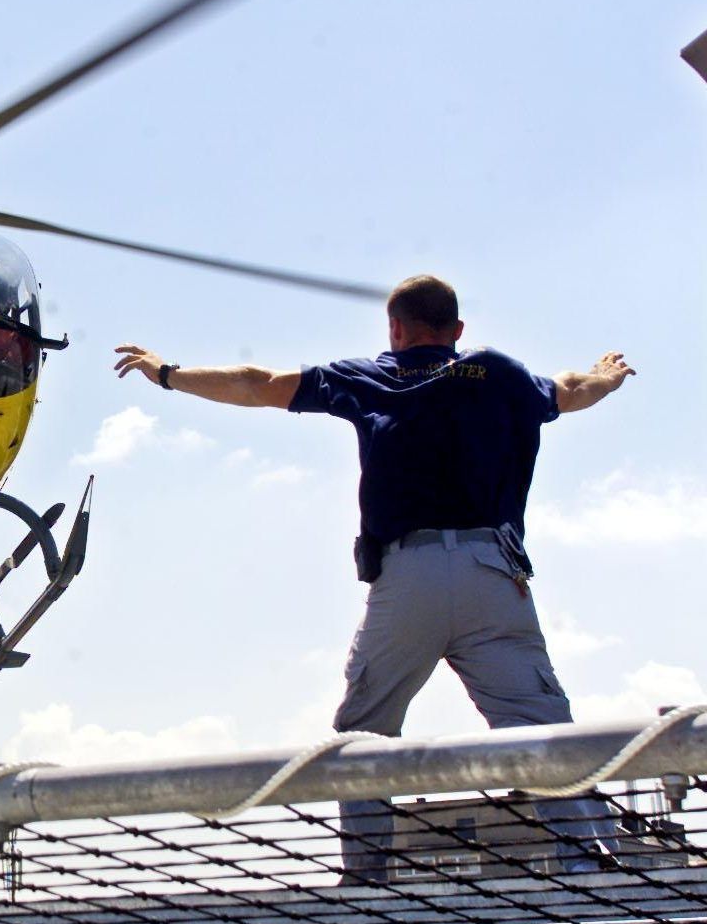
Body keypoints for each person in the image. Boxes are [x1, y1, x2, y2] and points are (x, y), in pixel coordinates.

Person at [114, 275, 635, 881]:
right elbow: (571, 390)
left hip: (409, 575)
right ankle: (595, 867)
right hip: (494, 573)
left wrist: (168, 373)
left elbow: (257, 385)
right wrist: (609, 375)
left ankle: (368, 880)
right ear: (457, 331)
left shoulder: (371, 375)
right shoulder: (496, 372)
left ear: (394, 328)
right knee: (543, 731)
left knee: (364, 736)